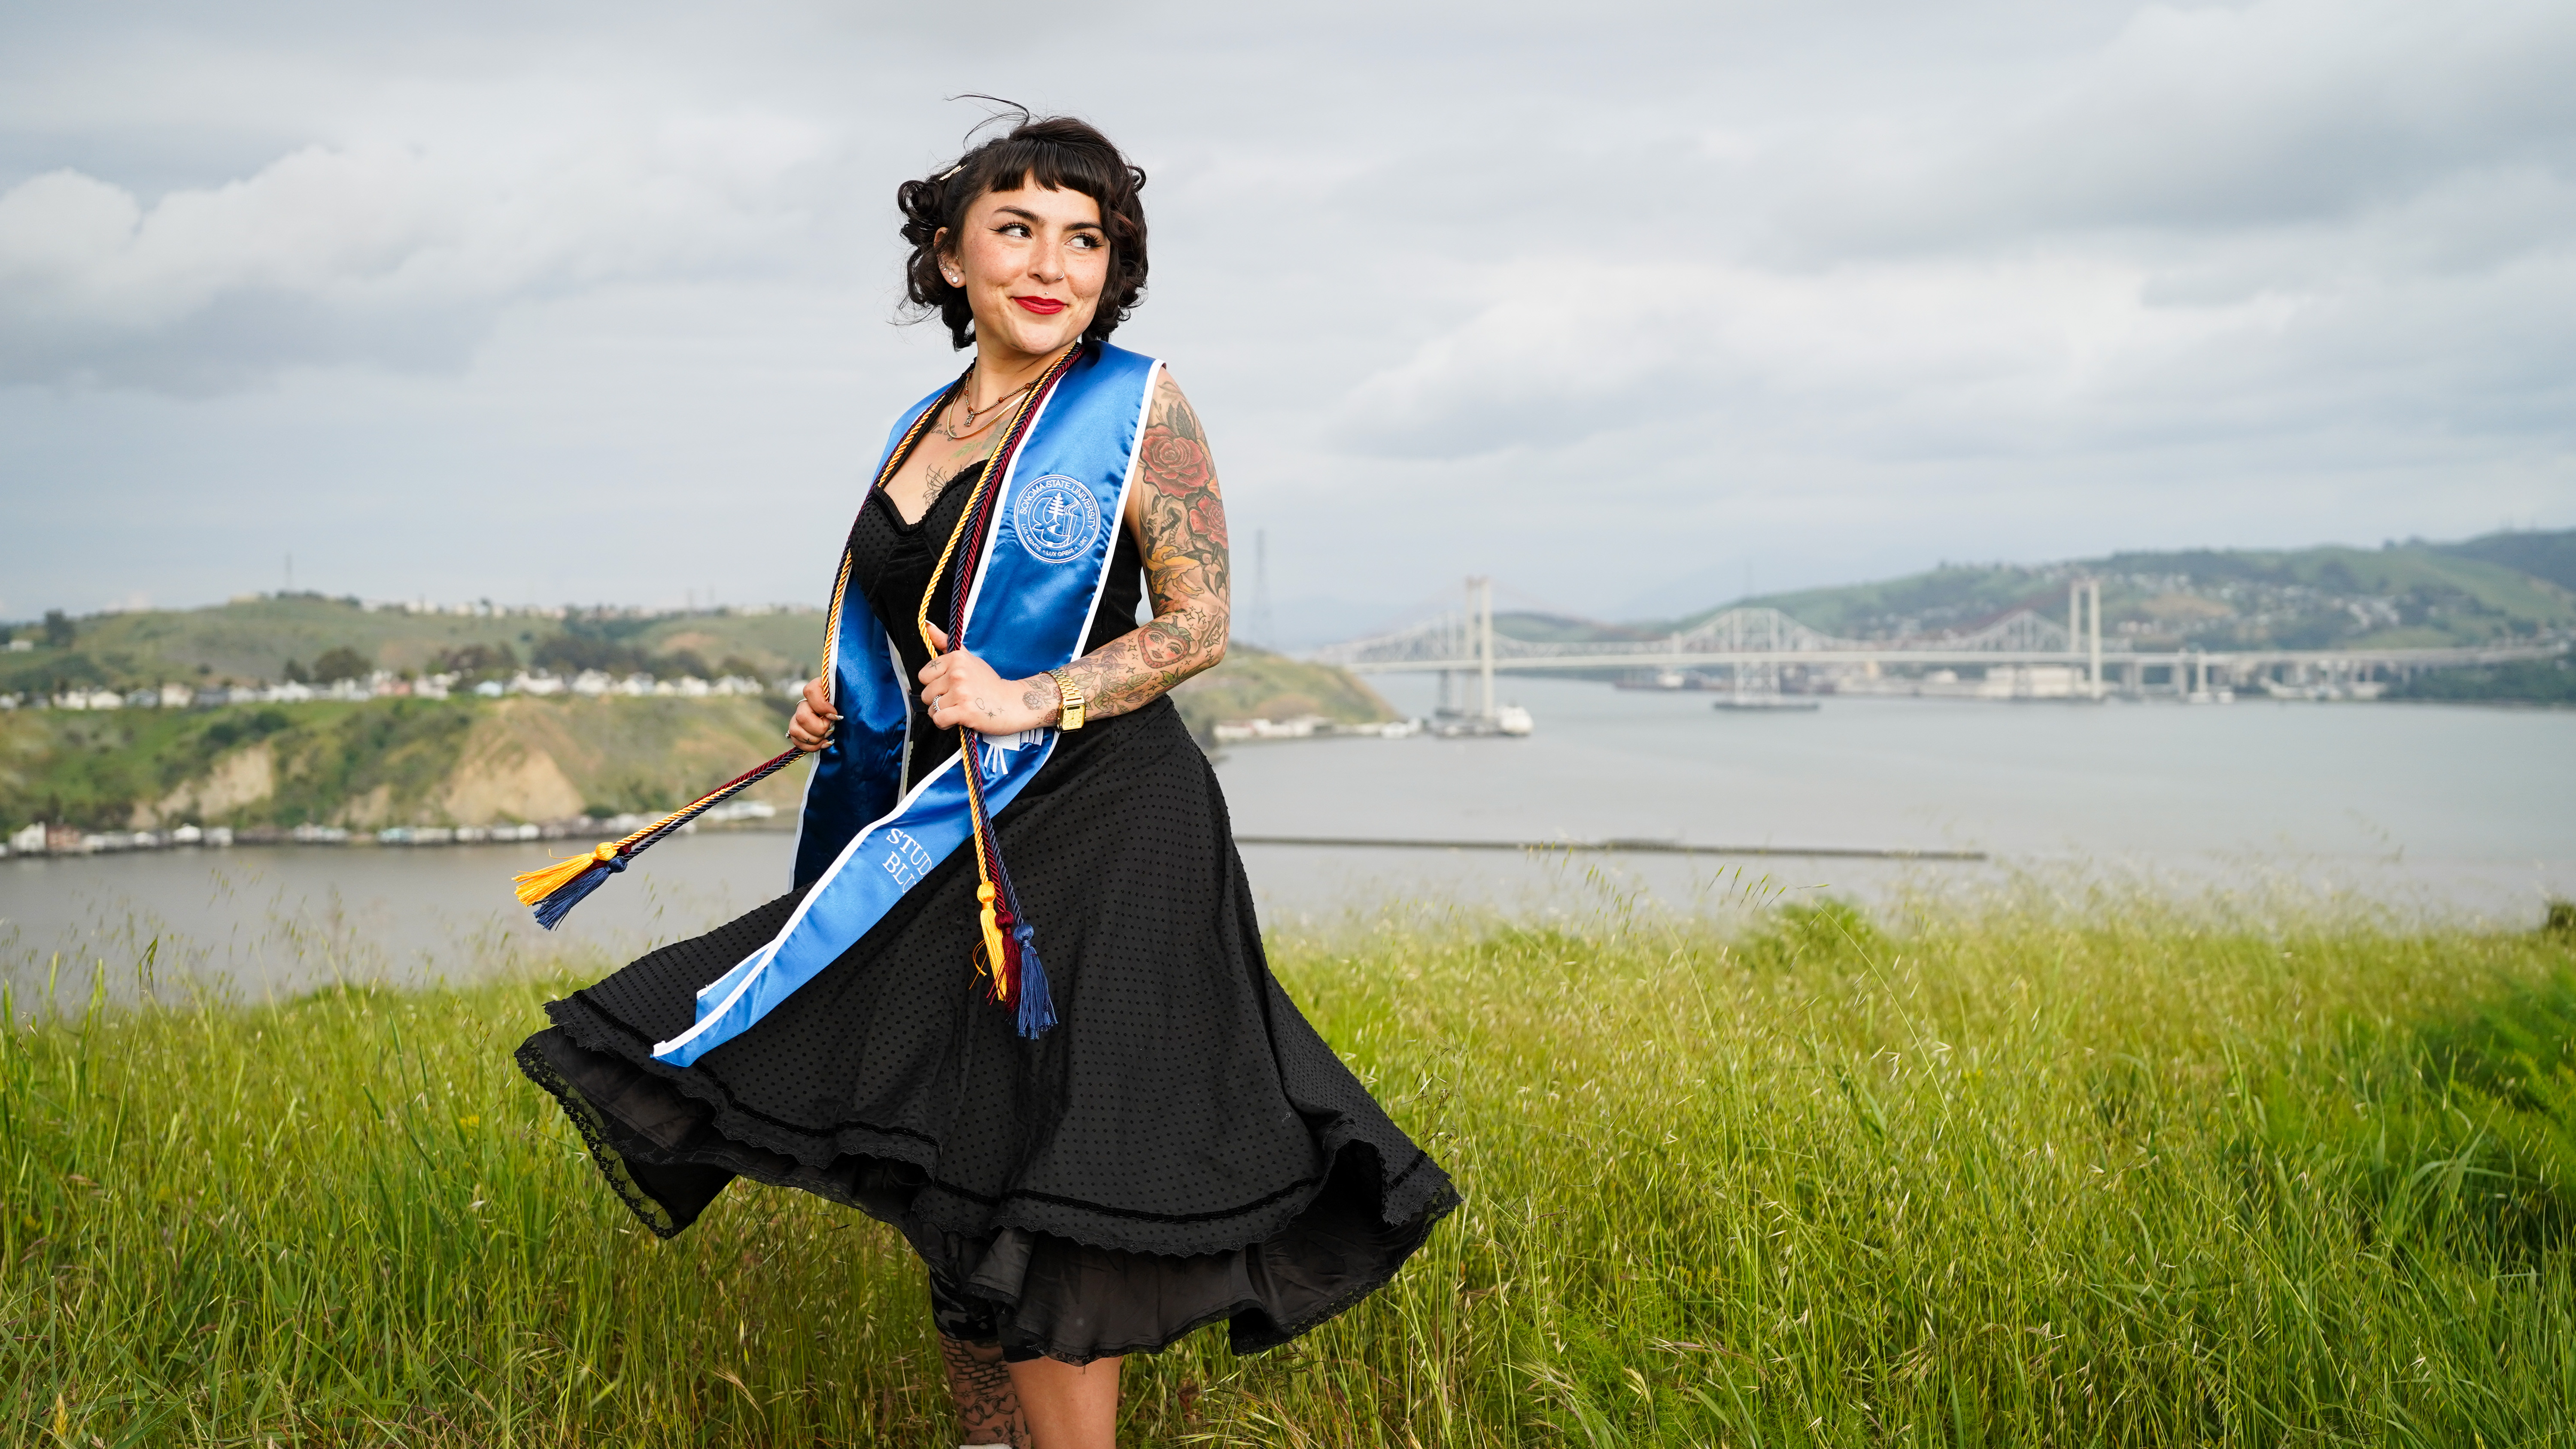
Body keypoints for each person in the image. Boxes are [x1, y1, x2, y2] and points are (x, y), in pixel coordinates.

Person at [514, 110, 1457, 1449]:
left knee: (1048, 1184)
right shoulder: (924, 426)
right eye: (1017, 229)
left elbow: (1199, 623)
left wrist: (1031, 697)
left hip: (1110, 821)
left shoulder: (1135, 406)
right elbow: (910, 621)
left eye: (1087, 239)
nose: (1053, 265)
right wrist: (844, 704)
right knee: (950, 1162)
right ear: (952, 257)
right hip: (961, 821)